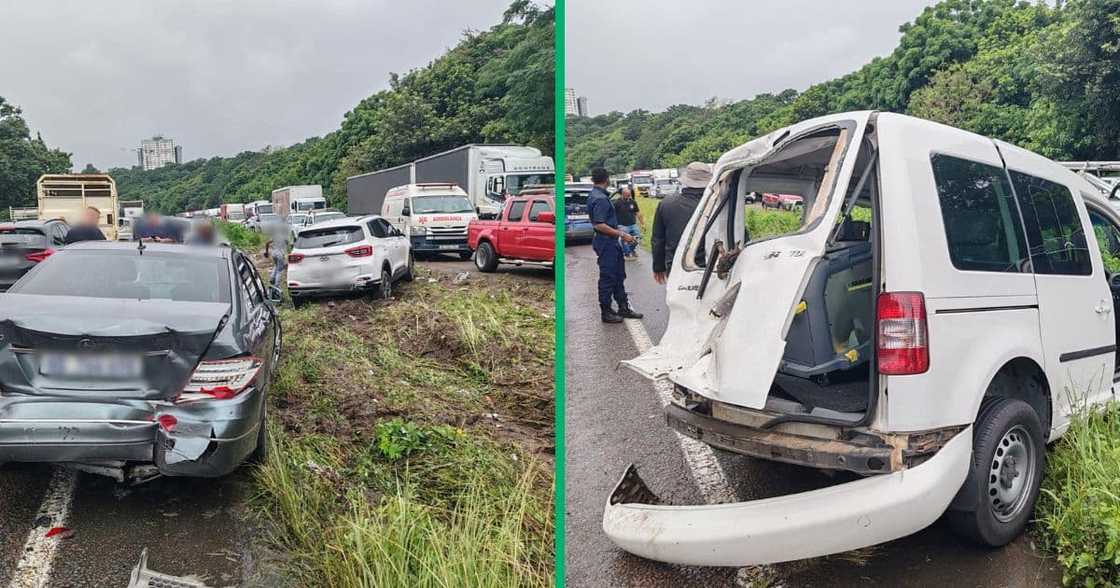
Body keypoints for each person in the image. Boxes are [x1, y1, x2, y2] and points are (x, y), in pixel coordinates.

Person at [588, 168, 643, 324]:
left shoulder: (599, 196)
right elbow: (599, 225)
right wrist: (622, 234)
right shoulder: (600, 199)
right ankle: (606, 312)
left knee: (619, 275)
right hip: (606, 242)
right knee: (608, 277)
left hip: (610, 241)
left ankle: (623, 307)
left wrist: (620, 233)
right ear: (607, 180)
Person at [651, 161, 713, 284]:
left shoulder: (666, 203)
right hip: (711, 268)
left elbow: (658, 239)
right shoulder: (718, 204)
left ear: (685, 180)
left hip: (676, 266)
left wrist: (658, 267)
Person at [613, 186, 644, 259]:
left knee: (638, 238)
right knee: (625, 239)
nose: (628, 196)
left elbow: (638, 213)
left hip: (633, 224)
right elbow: (613, 215)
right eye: (627, 195)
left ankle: (631, 250)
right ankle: (627, 254)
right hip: (622, 225)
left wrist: (642, 223)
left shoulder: (633, 202)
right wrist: (615, 226)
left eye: (629, 195)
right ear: (622, 194)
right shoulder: (617, 203)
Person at [263, 217, 291, 290]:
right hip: (280, 254)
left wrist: (266, 252)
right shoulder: (285, 235)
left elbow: (267, 243)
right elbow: (289, 244)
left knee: (276, 266)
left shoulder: (275, 235)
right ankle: (276, 286)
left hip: (274, 253)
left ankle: (272, 278)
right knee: (279, 270)